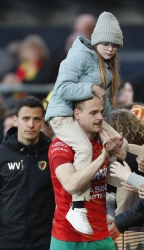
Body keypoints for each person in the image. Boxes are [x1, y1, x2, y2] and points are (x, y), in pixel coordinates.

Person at [45, 11, 124, 234]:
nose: (110, 49)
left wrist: (106, 114)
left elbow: (103, 103)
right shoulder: (79, 55)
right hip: (62, 114)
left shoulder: (107, 64)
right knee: (84, 148)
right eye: (106, 44)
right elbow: (61, 89)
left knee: (120, 145)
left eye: (115, 46)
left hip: (84, 115)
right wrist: (90, 88)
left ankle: (110, 197)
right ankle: (77, 207)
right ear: (97, 41)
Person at [48, 95, 116, 249]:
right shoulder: (61, 146)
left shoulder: (105, 142)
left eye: (101, 111)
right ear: (77, 114)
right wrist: (103, 157)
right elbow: (71, 184)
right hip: (68, 238)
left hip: (102, 236)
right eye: (93, 113)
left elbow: (143, 155)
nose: (100, 117)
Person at [0, 96, 55, 250]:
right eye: (26, 118)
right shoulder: (2, 155)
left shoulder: (53, 154)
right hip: (8, 241)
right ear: (15, 120)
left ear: (42, 122)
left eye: (36, 119)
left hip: (45, 240)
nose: (31, 124)